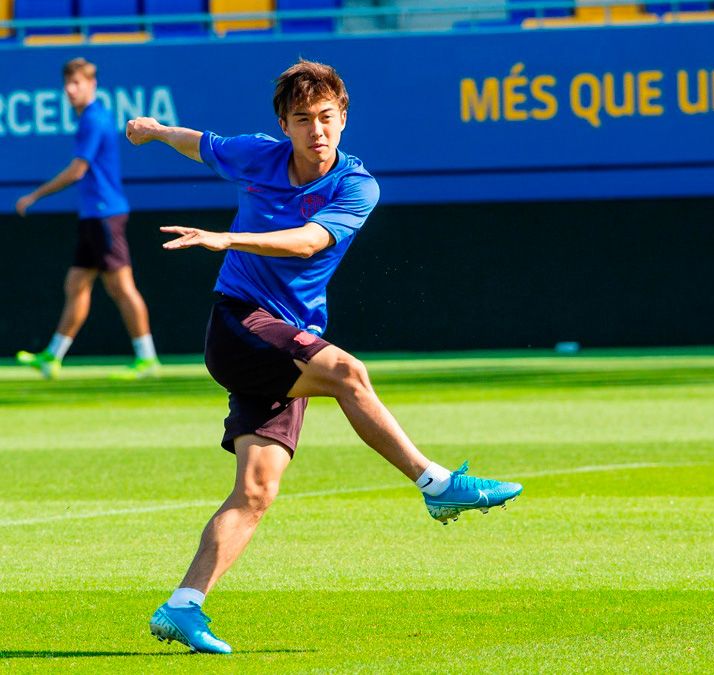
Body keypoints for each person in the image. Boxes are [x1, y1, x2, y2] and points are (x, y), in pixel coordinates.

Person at [125, 59, 522, 655]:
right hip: (240, 325)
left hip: (283, 340)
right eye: (303, 119)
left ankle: (182, 606)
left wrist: (228, 237)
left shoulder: (356, 187)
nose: (317, 130)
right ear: (284, 125)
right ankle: (435, 483)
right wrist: (156, 131)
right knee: (347, 372)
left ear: (344, 119)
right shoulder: (257, 155)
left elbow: (309, 242)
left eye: (326, 117)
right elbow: (202, 143)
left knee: (256, 492)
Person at [15, 58, 160, 380]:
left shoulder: (94, 119)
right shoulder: (91, 118)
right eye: (67, 83)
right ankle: (52, 357)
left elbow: (77, 171)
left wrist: (35, 195)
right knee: (76, 283)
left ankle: (147, 358)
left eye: (76, 83)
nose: (70, 89)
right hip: (94, 214)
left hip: (104, 214)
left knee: (121, 287)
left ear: (91, 85)